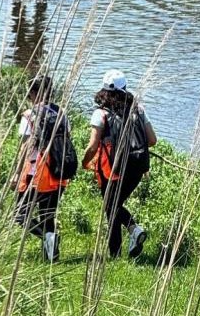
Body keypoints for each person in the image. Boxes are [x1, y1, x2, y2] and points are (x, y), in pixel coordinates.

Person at [81, 70, 157, 258]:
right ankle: (123, 246)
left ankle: (132, 232)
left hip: (113, 169)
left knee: (111, 206)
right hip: (138, 166)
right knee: (114, 206)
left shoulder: (100, 114)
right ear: (125, 88)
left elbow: (92, 146)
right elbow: (152, 140)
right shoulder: (138, 109)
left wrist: (84, 162)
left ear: (104, 90)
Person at [13, 75, 71, 263]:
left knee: (20, 215)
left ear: (35, 93)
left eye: (30, 94)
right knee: (48, 215)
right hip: (58, 171)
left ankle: (48, 238)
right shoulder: (62, 113)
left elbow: (26, 147)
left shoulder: (30, 115)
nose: (29, 98)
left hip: (35, 173)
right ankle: (51, 256)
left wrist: (16, 173)